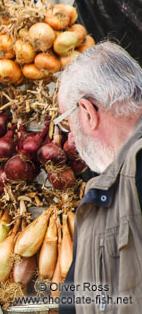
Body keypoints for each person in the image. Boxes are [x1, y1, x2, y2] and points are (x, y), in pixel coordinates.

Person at [55, 41, 142, 314]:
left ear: (88, 112)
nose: (69, 138)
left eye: (67, 124)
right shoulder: (105, 187)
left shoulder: (136, 168)